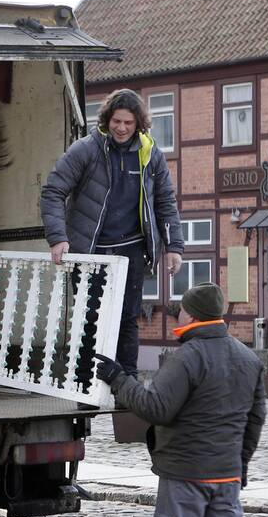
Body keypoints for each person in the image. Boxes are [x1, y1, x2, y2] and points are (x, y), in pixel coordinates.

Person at [94, 282, 265, 517]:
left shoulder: (187, 357)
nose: (177, 315)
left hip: (185, 474)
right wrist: (241, 466)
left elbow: (156, 408)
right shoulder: (248, 357)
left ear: (192, 315)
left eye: (181, 310)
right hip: (226, 475)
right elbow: (255, 419)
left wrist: (119, 379)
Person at [40, 88, 184, 377]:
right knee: (90, 318)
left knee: (128, 319)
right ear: (107, 120)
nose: (121, 128)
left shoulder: (150, 154)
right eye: (117, 121)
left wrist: (174, 247)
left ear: (138, 124)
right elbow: (52, 191)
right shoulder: (87, 149)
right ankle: (85, 384)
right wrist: (58, 238)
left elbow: (165, 201)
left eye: (128, 123)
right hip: (91, 250)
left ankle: (126, 383)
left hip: (131, 250)